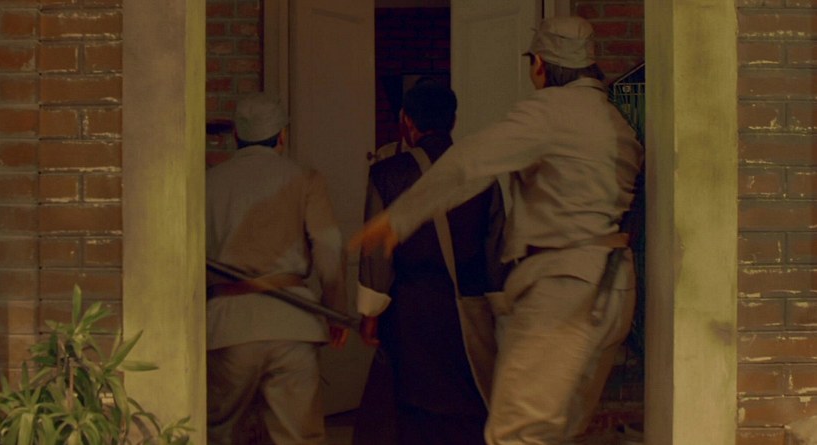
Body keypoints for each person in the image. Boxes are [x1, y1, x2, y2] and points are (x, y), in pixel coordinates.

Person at [350, 15, 643, 445]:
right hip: (614, 288)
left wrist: (400, 217)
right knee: (558, 432)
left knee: (515, 433)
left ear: (539, 64)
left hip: (562, 287)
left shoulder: (551, 111)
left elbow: (472, 162)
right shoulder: (613, 120)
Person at [353, 81, 508, 445]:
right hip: (468, 314)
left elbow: (376, 257)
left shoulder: (387, 174)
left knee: (414, 411)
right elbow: (497, 252)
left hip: (410, 313)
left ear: (407, 121)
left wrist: (370, 313)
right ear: (453, 120)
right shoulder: (482, 175)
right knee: (469, 407)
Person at [205, 92, 349, 445]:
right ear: (282, 135)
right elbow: (329, 249)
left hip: (228, 326)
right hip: (293, 324)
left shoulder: (209, 183)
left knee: (221, 433)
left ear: (236, 136)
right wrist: (335, 312)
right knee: (299, 437)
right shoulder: (305, 179)